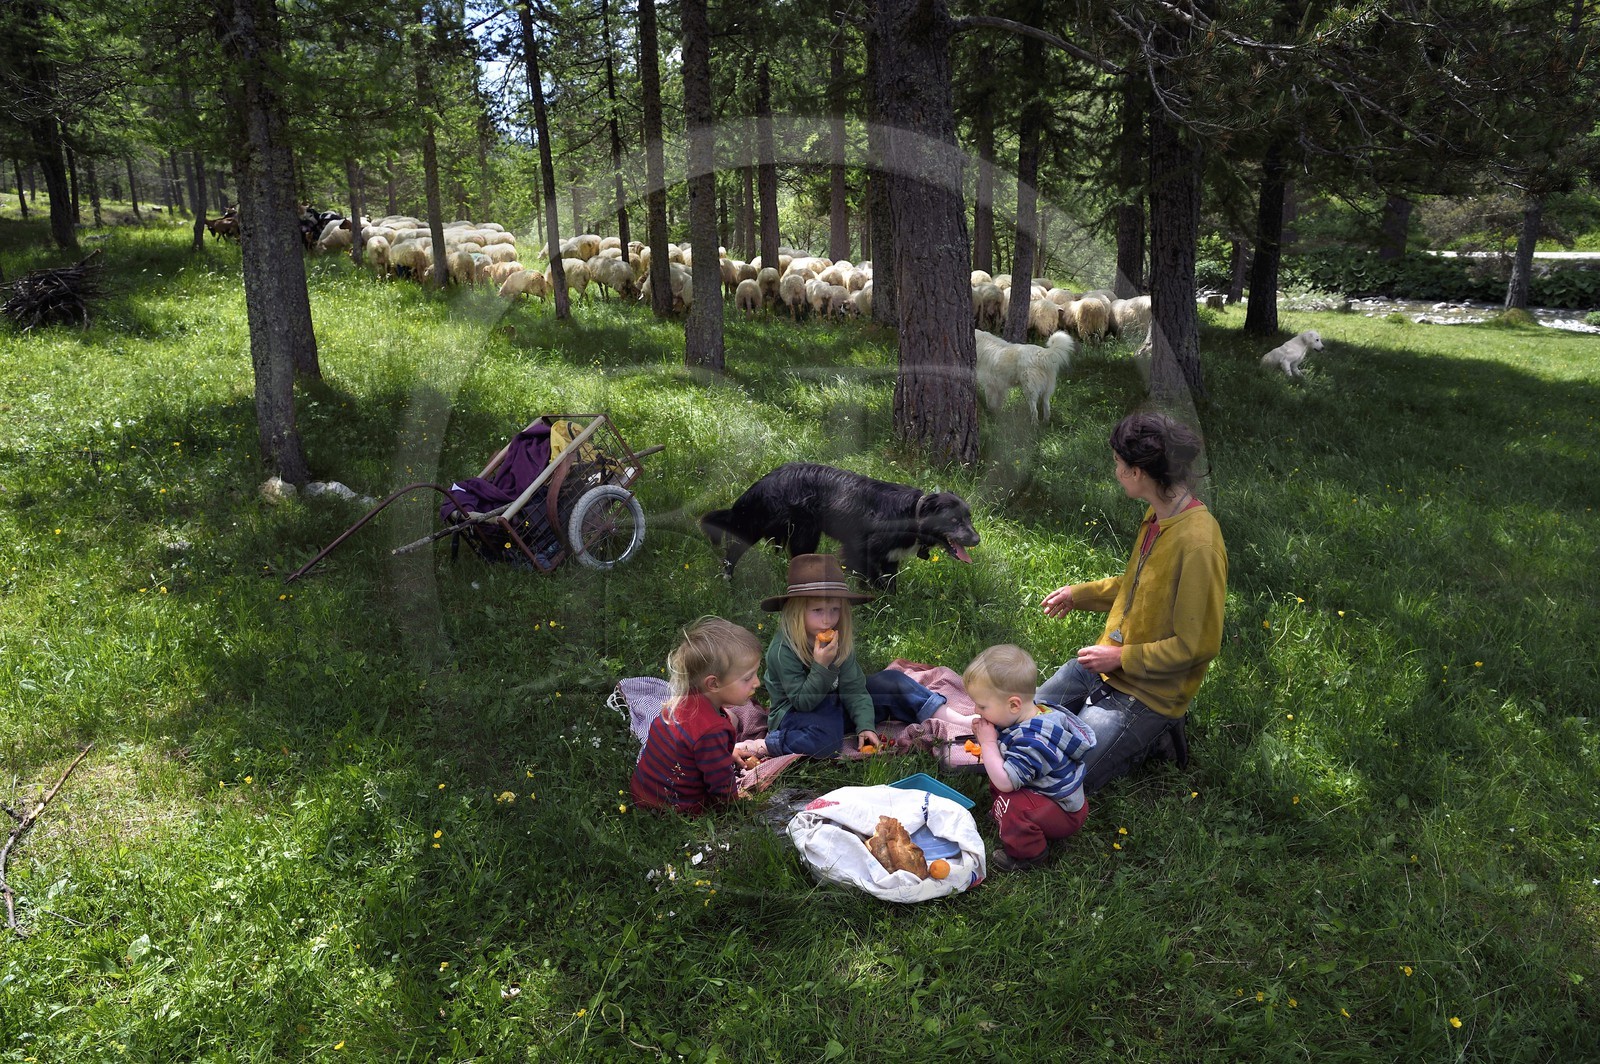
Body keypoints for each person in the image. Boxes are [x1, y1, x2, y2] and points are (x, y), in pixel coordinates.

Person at [1036, 411, 1228, 794]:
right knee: (1016, 723)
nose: (1116, 471)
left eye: (1118, 464)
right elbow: (1145, 586)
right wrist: (1081, 594)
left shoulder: (1199, 543)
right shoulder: (1160, 515)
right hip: (1103, 665)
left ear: (1138, 472)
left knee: (1056, 782)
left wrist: (1121, 658)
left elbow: (1199, 645)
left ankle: (1152, 736)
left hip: (1147, 692)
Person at [734, 553, 918, 760]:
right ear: (797, 612)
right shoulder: (783, 650)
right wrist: (821, 666)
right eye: (817, 610)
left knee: (892, 682)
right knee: (827, 742)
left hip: (835, 705)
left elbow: (854, 688)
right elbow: (803, 703)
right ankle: (769, 744)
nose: (827, 619)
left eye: (835, 610)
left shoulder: (838, 639)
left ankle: (941, 714)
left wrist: (866, 726)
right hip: (797, 714)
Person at [966, 645, 1095, 871]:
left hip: (1062, 812)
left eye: (983, 706)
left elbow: (1005, 782)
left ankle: (1027, 854)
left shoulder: (1034, 741)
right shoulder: (1029, 715)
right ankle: (1004, 815)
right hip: (1046, 796)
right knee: (1001, 767)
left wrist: (987, 743)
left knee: (1013, 800)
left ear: (1014, 704)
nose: (976, 709)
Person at [631, 617, 763, 815]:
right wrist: (735, 802)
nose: (757, 683)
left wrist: (724, 755)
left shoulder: (681, 702)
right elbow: (721, 786)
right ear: (714, 684)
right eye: (747, 678)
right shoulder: (712, 730)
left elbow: (692, 750)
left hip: (645, 793)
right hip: (677, 808)